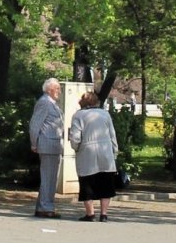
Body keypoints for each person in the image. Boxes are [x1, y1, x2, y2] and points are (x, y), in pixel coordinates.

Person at [68, 90, 119, 222]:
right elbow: (112, 134)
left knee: (87, 183)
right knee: (106, 183)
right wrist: (114, 150)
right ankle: (104, 214)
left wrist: (76, 147)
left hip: (87, 152)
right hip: (105, 151)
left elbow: (75, 137)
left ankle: (90, 214)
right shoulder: (105, 114)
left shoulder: (78, 116)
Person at [28, 78, 65, 218]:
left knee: (50, 178)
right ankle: (45, 207)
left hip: (53, 145)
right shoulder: (44, 102)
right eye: (57, 89)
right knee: (48, 178)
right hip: (48, 144)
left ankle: (43, 206)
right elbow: (35, 124)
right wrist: (34, 143)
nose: (59, 92)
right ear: (50, 90)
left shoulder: (51, 104)